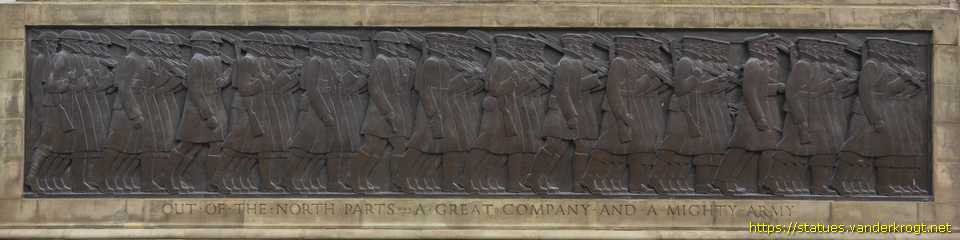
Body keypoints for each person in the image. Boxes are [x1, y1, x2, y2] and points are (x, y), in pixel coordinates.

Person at [840, 38, 928, 196]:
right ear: (876, 49)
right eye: (884, 48)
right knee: (855, 147)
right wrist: (875, 119)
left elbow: (886, 91)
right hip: (867, 112)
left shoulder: (884, 66)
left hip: (882, 111)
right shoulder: (871, 65)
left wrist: (906, 81)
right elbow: (866, 93)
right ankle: (838, 181)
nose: (888, 51)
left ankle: (883, 185)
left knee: (885, 148)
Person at [770, 37, 857, 195]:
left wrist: (847, 83)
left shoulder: (820, 66)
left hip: (821, 112)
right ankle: (773, 180)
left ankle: (818, 185)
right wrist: (801, 121)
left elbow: (828, 92)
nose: (820, 52)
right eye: (815, 48)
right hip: (804, 113)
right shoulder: (803, 65)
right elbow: (793, 93)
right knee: (791, 148)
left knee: (825, 149)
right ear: (806, 49)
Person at [403, 32, 485, 193]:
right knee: (419, 145)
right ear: (435, 46)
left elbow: (450, 88)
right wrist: (433, 113)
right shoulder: (432, 62)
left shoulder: (444, 63)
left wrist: (472, 80)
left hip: (446, 107)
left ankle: (445, 182)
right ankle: (403, 178)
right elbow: (426, 90)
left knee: (450, 146)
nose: (446, 47)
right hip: (432, 108)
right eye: (442, 44)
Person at [288, 32, 367, 193]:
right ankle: (287, 179)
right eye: (328, 45)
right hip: (315, 109)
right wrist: (325, 115)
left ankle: (331, 182)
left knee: (330, 146)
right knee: (303, 146)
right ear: (319, 46)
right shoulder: (314, 62)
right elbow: (312, 90)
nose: (332, 48)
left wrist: (358, 78)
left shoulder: (328, 62)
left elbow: (337, 87)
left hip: (329, 107)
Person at [473, 34, 552, 193]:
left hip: (521, 107)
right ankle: (479, 178)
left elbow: (539, 89)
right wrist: (527, 81)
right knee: (498, 146)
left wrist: (538, 83)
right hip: (509, 107)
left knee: (521, 147)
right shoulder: (505, 63)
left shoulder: (511, 63)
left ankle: (515, 181)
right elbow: (498, 88)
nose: (535, 54)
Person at [658, 37, 737, 194]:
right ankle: (657, 178)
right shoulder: (685, 62)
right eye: (699, 46)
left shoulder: (696, 62)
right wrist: (697, 78)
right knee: (674, 145)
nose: (702, 49)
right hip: (683, 108)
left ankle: (701, 183)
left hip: (695, 107)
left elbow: (699, 89)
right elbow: (680, 89)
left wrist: (721, 82)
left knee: (702, 146)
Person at [716, 33, 790, 195]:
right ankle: (723, 180)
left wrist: (775, 88)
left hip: (767, 110)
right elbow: (749, 92)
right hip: (752, 113)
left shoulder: (763, 64)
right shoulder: (753, 64)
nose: (769, 49)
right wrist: (759, 117)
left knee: (770, 147)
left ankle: (765, 183)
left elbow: (761, 88)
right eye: (766, 46)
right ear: (757, 47)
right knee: (741, 147)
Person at [170, 31, 233, 193]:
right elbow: (195, 90)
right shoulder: (197, 61)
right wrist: (208, 114)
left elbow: (218, 84)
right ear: (202, 44)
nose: (216, 47)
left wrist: (230, 71)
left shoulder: (212, 60)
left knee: (217, 145)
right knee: (187, 147)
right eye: (213, 44)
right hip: (199, 112)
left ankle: (214, 182)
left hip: (215, 106)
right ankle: (171, 178)